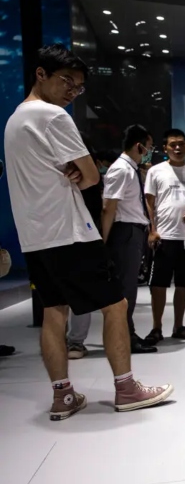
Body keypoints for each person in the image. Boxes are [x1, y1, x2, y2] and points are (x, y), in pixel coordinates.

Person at [3, 44, 173, 420]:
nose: (72, 91)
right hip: (70, 232)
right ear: (40, 74)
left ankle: (63, 396)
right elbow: (92, 176)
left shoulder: (14, 120)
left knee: (54, 312)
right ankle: (126, 389)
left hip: (35, 236)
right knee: (116, 305)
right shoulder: (53, 116)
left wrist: (77, 171)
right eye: (67, 81)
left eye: (78, 86)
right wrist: (81, 173)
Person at [143, 128, 185, 345]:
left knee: (183, 284)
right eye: (173, 144)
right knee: (158, 284)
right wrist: (152, 230)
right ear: (165, 148)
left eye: (181, 143)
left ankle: (178, 326)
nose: (178, 148)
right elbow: (149, 202)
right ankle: (156, 328)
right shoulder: (156, 171)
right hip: (164, 236)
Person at [102, 125, 158, 354]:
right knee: (126, 289)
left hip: (133, 232)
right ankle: (125, 338)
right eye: (149, 147)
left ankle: (129, 334)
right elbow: (109, 207)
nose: (149, 152)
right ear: (139, 146)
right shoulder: (121, 170)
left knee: (129, 287)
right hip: (125, 232)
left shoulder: (131, 169)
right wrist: (102, 242)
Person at [66, 141, 108, 360]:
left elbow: (96, 210)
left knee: (78, 290)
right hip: (58, 236)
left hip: (81, 237)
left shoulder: (89, 181)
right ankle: (70, 341)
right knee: (59, 296)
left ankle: (75, 341)